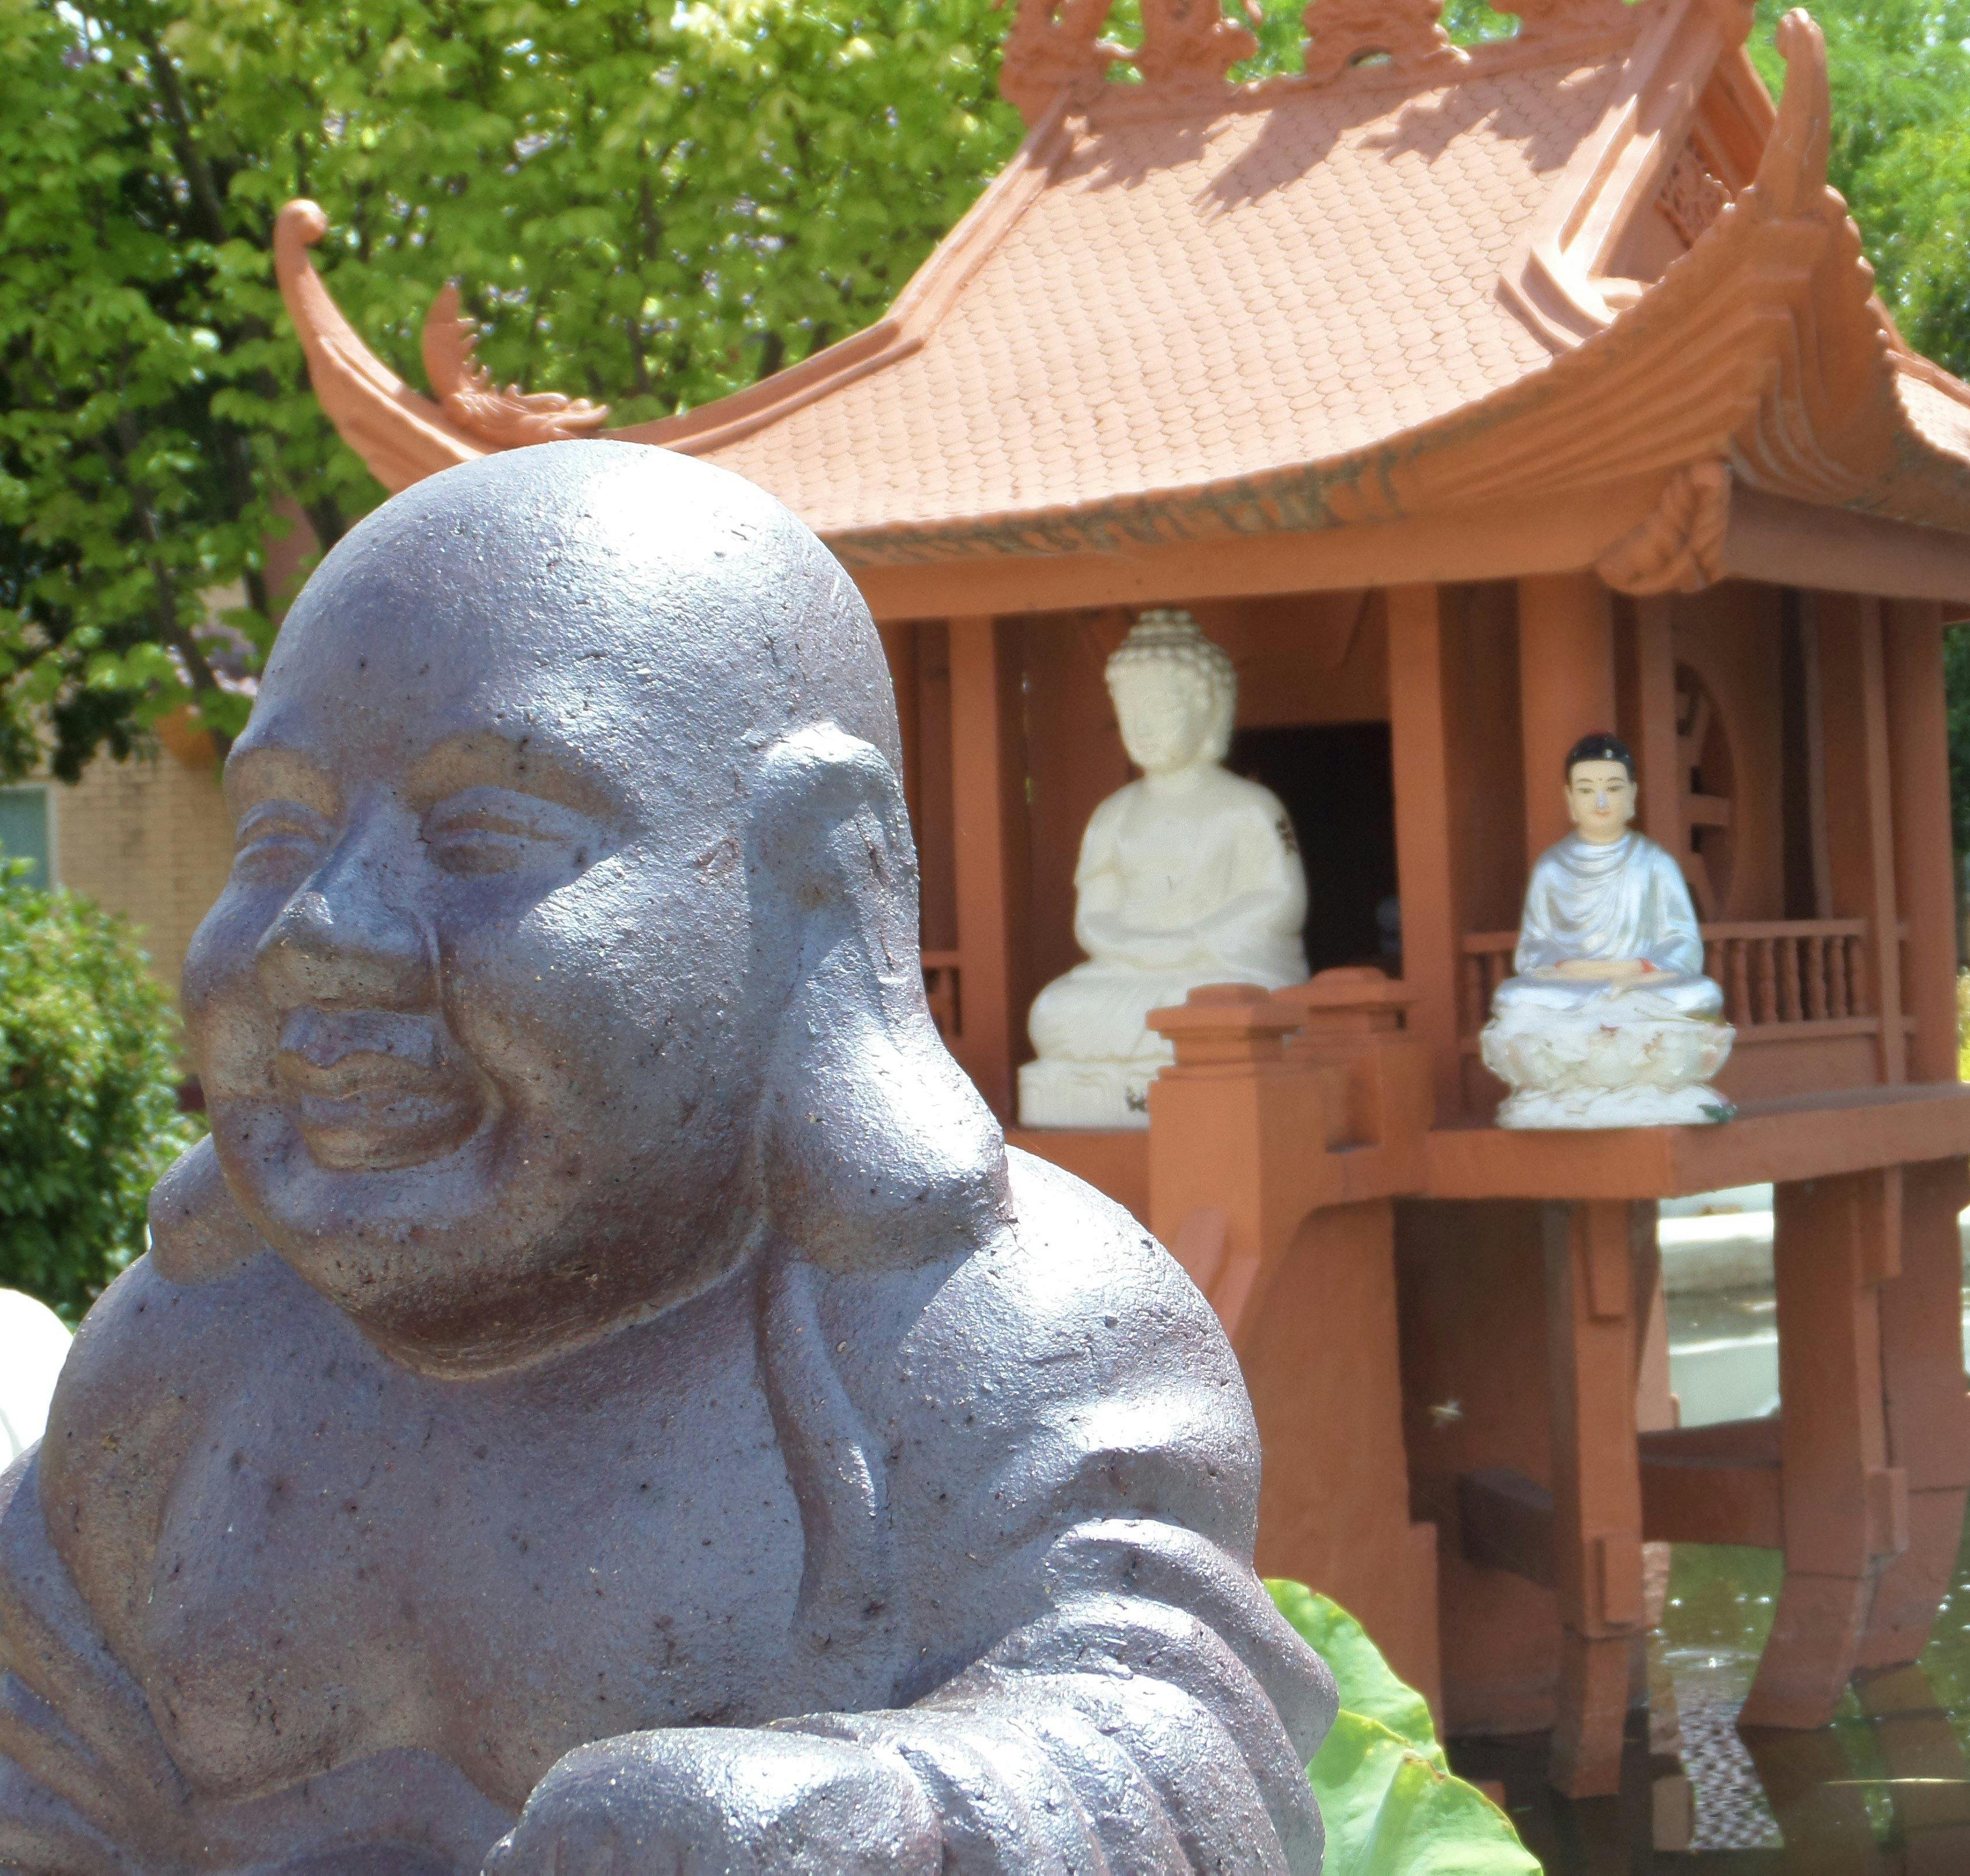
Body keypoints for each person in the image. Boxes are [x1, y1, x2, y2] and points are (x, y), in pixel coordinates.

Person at [0, 444, 1332, 1874]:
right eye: (278, 831)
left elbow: (1170, 1746)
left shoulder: (990, 1336)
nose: (323, 926)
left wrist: (880, 1820)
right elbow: (44, 1766)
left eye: (484, 829)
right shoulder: (177, 1368)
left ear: (816, 870)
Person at [1019, 614, 1307, 1129]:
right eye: (1130, 709)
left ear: (1210, 710)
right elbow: (1094, 918)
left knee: (1225, 1008)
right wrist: (1138, 949)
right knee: (1054, 1013)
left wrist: (1197, 939)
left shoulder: (1251, 806)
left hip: (1217, 967)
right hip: (1133, 974)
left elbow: (1281, 899)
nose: (1143, 726)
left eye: (1161, 707)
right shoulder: (1114, 814)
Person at [1480, 732, 1733, 1128]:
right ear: (1569, 799)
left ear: (1632, 795)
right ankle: (1617, 1066)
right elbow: (1532, 952)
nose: (1600, 802)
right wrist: (1586, 973)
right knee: (1513, 998)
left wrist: (1635, 970)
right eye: (1586, 790)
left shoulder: (1654, 863)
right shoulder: (1551, 868)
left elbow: (1684, 944)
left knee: (1701, 995)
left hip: (1640, 988)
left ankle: (1608, 1072)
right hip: (1574, 989)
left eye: (1613, 789)